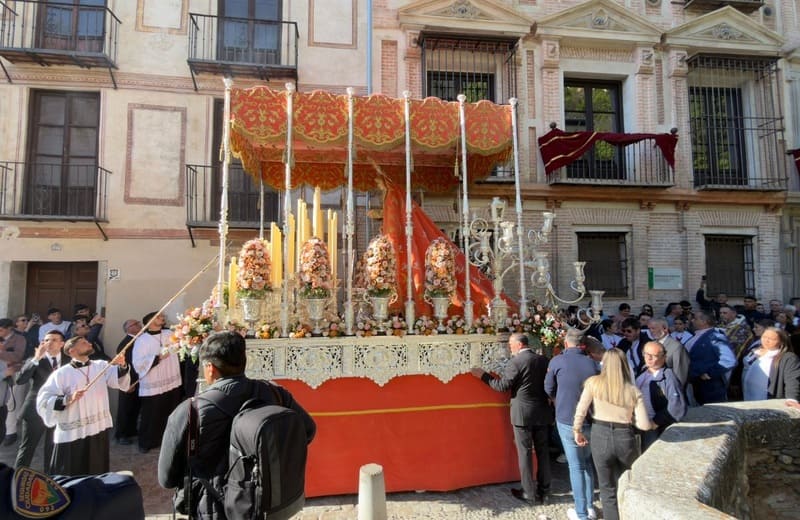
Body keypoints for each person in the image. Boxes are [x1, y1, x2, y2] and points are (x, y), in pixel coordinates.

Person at [158, 331, 316, 519]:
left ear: (210, 368)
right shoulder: (275, 393)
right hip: (261, 503)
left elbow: (166, 478)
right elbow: (308, 430)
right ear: (244, 360)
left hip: (212, 508)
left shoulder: (189, 411)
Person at [573, 349, 656, 520]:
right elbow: (644, 425)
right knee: (626, 483)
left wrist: (577, 430)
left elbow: (581, 410)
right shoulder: (633, 391)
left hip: (600, 433)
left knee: (606, 487)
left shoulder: (593, 383)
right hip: (625, 435)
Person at [471, 333, 553, 506]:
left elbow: (502, 386)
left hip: (523, 413)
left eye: (510, 344)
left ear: (519, 345)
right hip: (542, 412)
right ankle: (545, 492)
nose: (509, 347)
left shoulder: (516, 362)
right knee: (543, 452)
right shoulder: (543, 359)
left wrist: (483, 376)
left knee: (525, 453)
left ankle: (529, 493)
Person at [36, 336, 130, 476]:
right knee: (72, 468)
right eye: (84, 343)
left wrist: (122, 365)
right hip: (74, 430)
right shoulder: (61, 373)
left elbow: (116, 378)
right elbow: (43, 400)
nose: (89, 343)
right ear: (72, 350)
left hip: (97, 426)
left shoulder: (101, 365)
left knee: (96, 465)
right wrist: (67, 399)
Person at [545, 328, 599, 520]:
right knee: (587, 463)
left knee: (576, 466)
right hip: (590, 418)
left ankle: (581, 512)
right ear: (583, 345)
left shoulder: (558, 361)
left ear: (566, 343)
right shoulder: (593, 364)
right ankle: (590, 505)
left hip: (567, 417)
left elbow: (549, 387)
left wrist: (558, 400)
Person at [14, 330, 68, 471]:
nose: (49, 343)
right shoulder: (36, 359)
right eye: (46, 340)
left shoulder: (69, 360)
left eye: (54, 340)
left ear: (62, 344)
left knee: (53, 447)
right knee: (27, 447)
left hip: (58, 408)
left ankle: (50, 479)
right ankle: (17, 479)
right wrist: (36, 359)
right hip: (35, 409)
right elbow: (20, 380)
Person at [132, 311, 182, 454]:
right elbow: (138, 363)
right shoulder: (142, 340)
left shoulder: (169, 334)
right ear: (150, 321)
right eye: (159, 316)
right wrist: (158, 358)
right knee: (151, 413)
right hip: (153, 382)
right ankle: (146, 442)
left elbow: (180, 344)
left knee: (169, 411)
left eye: (162, 316)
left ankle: (165, 440)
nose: (163, 318)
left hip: (171, 379)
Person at [635, 341, 687, 450]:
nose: (648, 358)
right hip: (639, 423)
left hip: (655, 426)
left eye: (653, 356)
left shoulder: (668, 376)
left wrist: (656, 422)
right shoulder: (643, 371)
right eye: (646, 354)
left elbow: (677, 406)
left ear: (663, 357)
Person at [686, 310, 736, 405]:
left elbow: (729, 360)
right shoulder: (697, 335)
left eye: (695, 318)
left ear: (704, 321)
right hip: (697, 383)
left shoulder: (715, 336)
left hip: (711, 386)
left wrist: (710, 373)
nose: (692, 320)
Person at [741, 327, 800, 403]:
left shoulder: (788, 358)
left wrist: (792, 399)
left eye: (772, 339)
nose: (766, 341)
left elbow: (793, 380)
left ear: (781, 342)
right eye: (764, 337)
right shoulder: (755, 350)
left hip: (766, 398)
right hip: (749, 395)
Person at [115, 319, 142, 445]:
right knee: (125, 408)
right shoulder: (125, 343)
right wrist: (128, 382)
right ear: (129, 328)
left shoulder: (139, 340)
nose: (139, 325)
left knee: (134, 407)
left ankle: (131, 430)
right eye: (136, 324)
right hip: (128, 381)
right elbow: (126, 364)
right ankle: (121, 434)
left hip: (138, 379)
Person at [0, 318, 26, 446]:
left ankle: (11, 432)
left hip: (14, 373)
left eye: (2, 329)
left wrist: (1, 352)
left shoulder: (19, 339)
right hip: (2, 374)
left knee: (12, 402)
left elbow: (17, 356)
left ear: (10, 328)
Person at [647, 318, 690, 389]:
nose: (650, 331)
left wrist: (675, 391)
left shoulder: (676, 347)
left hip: (669, 389)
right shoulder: (651, 345)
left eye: (653, 328)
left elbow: (680, 374)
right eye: (649, 328)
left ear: (665, 328)